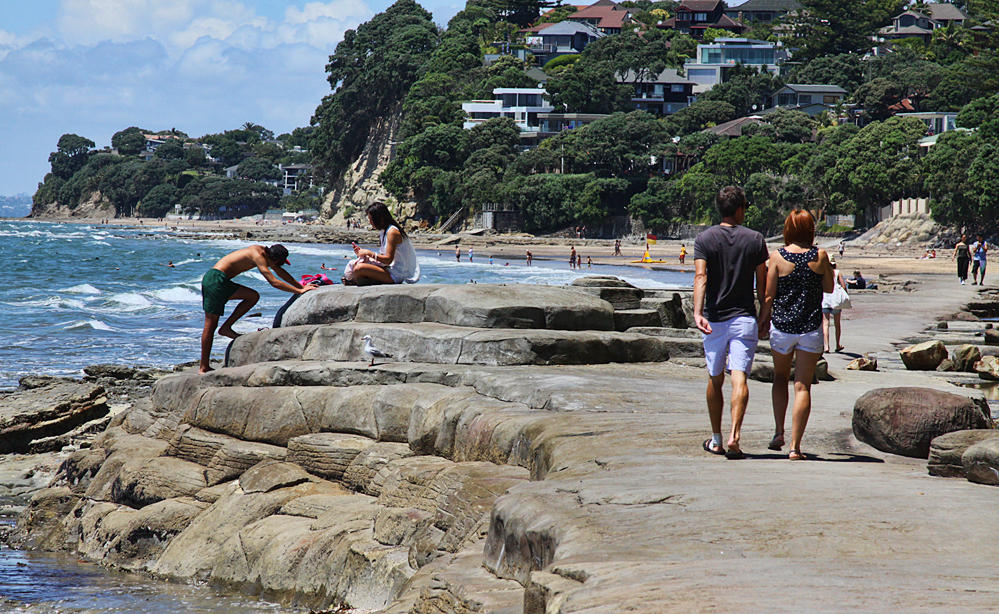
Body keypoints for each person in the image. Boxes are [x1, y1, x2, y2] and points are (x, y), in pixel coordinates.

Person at [693, 186, 769, 460]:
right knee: (740, 378)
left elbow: (700, 277)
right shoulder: (755, 239)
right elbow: (763, 284)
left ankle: (716, 439)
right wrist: (764, 316)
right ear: (739, 209)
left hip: (714, 321)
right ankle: (734, 436)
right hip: (744, 319)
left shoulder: (704, 238)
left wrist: (697, 312)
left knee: (715, 379)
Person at [759, 210, 834, 461]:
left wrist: (763, 320)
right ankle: (795, 447)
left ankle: (779, 433)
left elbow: (769, 296)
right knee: (803, 386)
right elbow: (829, 287)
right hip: (810, 328)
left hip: (782, 327)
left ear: (788, 229)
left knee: (780, 379)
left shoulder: (777, 256)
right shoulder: (820, 255)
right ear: (810, 229)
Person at [199, 244, 314, 374]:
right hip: (215, 280)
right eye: (277, 264)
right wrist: (299, 290)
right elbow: (274, 281)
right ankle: (203, 367)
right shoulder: (257, 256)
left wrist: (301, 286)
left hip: (222, 281)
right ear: (275, 259)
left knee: (252, 296)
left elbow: (280, 271)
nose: (276, 266)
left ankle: (226, 328)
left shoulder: (264, 252)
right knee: (210, 325)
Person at [345, 202, 421, 286]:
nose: (370, 222)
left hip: (396, 274)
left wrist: (369, 253)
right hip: (388, 269)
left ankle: (363, 280)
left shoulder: (392, 232)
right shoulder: (383, 231)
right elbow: (383, 257)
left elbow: (388, 260)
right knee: (356, 266)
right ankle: (363, 279)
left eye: (371, 219)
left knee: (359, 269)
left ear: (379, 218)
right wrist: (363, 255)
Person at [821, 257, 848, 353]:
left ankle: (826, 346)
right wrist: (846, 296)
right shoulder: (837, 273)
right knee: (837, 323)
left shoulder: (823, 272)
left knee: (825, 323)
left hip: (825, 299)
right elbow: (843, 286)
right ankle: (837, 345)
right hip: (836, 300)